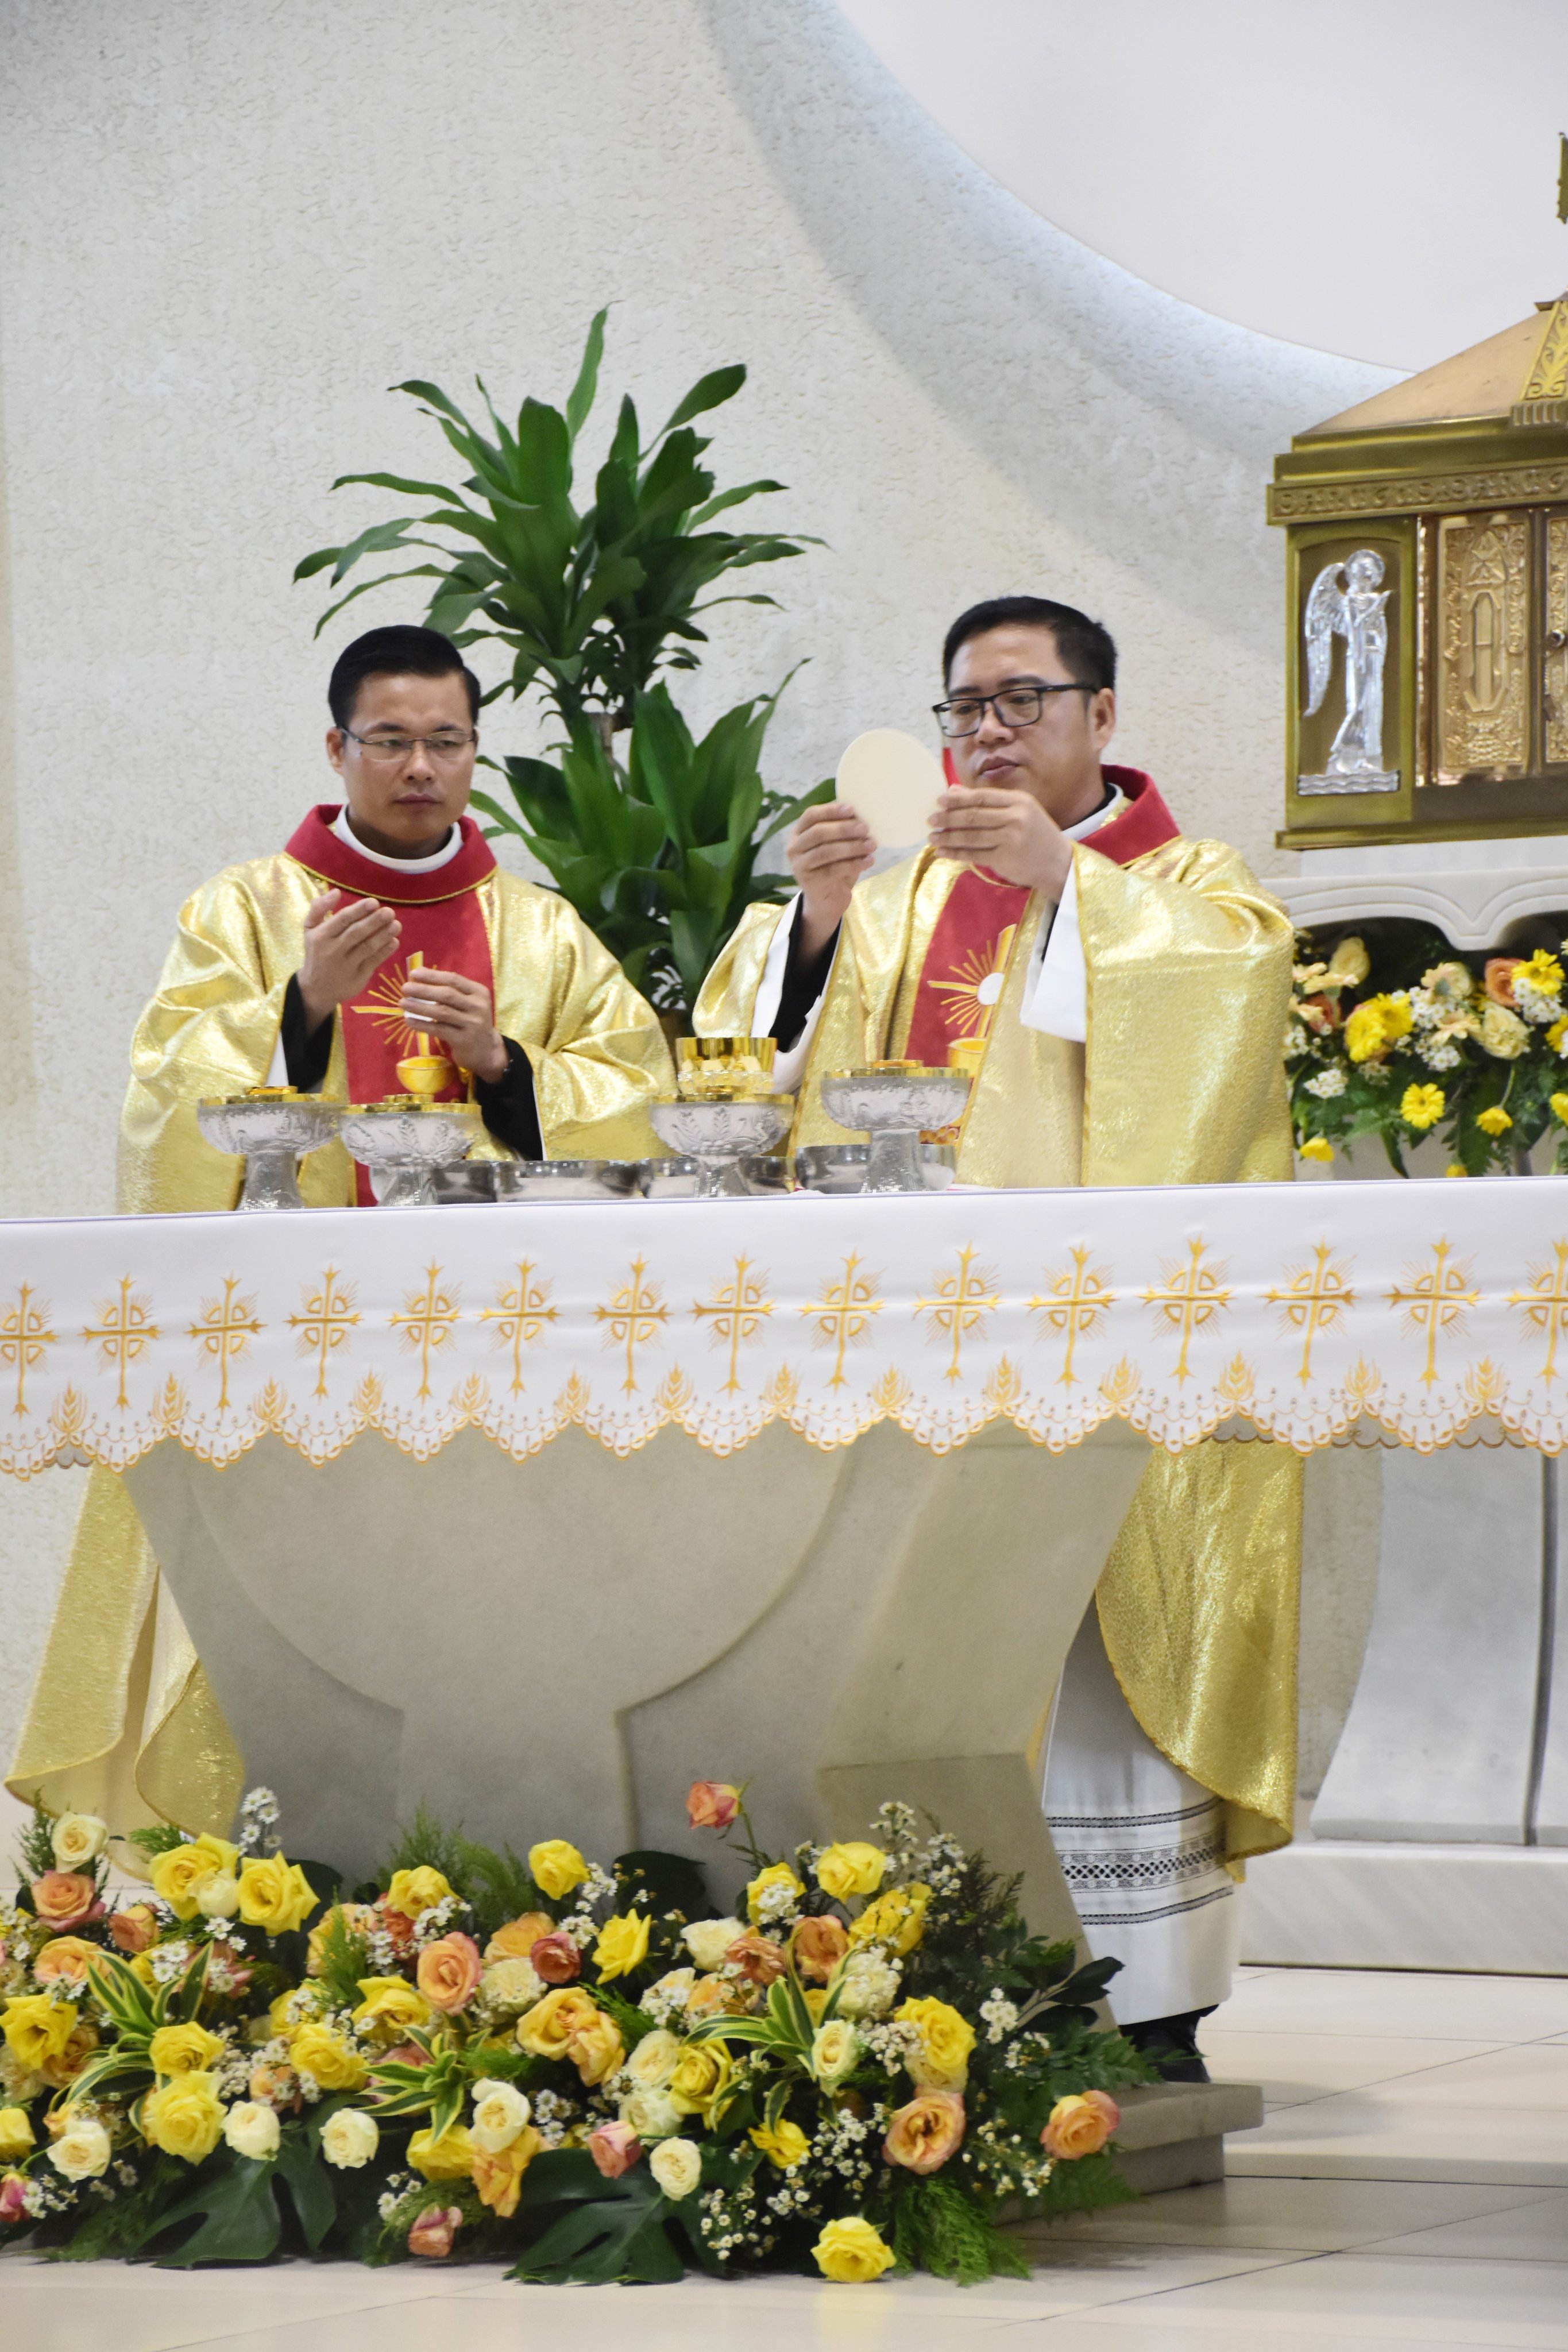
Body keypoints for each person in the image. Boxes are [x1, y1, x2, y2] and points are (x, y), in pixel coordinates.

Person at [696, 595, 1301, 2075]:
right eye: (967, 707)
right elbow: (754, 1087)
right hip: (919, 1360)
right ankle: (933, 1978)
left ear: (1102, 714)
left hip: (1113, 1362)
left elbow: (1224, 1020)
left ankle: (1148, 2003)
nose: (989, 732)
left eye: (1023, 701)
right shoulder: (900, 897)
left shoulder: (1194, 884)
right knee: (930, 1649)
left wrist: (1069, 886)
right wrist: (816, 929)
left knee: (1102, 1666)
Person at [9, 624, 671, 1837]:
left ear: (473, 750)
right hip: (293, 1353)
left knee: (486, 1622)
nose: (420, 766)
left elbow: (640, 1096)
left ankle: (498, 1847)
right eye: (391, 740)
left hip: (491, 1353)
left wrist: (504, 1063)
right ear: (337, 747)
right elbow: (162, 1102)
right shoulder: (245, 909)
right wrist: (301, 1005)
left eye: (446, 741)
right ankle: (282, 1867)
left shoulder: (538, 929)